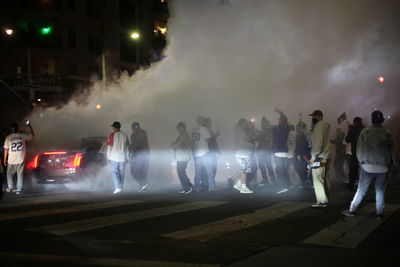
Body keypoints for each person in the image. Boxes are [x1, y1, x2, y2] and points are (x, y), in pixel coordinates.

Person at [342, 111, 397, 219]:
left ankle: (352, 210)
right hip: (383, 167)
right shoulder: (388, 133)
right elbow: (393, 151)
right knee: (380, 191)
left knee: (361, 190)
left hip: (367, 166)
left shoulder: (365, 132)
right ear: (382, 120)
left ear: (372, 119)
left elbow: (359, 149)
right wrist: (393, 164)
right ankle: (379, 213)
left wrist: (361, 162)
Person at [3, 122, 34, 194]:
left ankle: (10, 187)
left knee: (9, 174)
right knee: (20, 175)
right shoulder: (22, 136)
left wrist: (5, 159)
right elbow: (32, 136)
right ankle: (18, 190)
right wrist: (30, 126)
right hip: (21, 159)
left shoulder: (8, 137)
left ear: (11, 129)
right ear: (18, 129)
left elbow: (6, 149)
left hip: (11, 160)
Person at [309, 110, 331, 207]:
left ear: (321, 117)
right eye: (313, 116)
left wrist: (313, 157)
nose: (313, 118)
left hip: (319, 157)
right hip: (326, 156)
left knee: (317, 179)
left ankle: (322, 201)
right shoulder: (324, 126)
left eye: (315, 116)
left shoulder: (319, 127)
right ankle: (325, 199)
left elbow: (318, 144)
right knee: (325, 179)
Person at [271, 109, 294, 193]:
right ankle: (289, 184)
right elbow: (284, 118)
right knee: (283, 169)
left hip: (278, 151)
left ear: (282, 121)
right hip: (284, 151)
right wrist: (280, 112)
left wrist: (280, 112)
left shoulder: (280, 128)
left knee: (279, 170)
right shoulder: (286, 128)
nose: (278, 120)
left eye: (279, 120)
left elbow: (269, 128)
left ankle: (282, 187)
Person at [107, 121, 130, 194]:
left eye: (113, 127)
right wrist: (127, 158)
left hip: (114, 157)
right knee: (122, 173)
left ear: (114, 127)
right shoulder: (125, 135)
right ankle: (121, 187)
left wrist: (108, 157)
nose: (113, 128)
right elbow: (127, 148)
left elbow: (109, 148)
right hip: (123, 157)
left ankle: (118, 187)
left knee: (115, 173)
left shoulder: (112, 135)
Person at [171, 122, 194, 194]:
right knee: (181, 172)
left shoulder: (184, 135)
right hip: (181, 157)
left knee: (181, 172)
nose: (177, 130)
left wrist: (172, 143)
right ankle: (186, 187)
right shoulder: (183, 135)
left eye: (178, 128)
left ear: (182, 128)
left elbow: (178, 145)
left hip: (183, 157)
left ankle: (188, 187)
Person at [233, 119, 255, 194]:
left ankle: (239, 184)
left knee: (245, 170)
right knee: (244, 170)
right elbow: (244, 142)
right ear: (243, 123)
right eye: (246, 123)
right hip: (242, 153)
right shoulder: (240, 132)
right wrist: (251, 145)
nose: (247, 124)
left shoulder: (242, 131)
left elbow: (249, 138)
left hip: (244, 153)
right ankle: (243, 187)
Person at [192, 116, 213, 192]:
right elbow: (207, 140)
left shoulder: (193, 129)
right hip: (204, 152)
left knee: (197, 171)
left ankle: (196, 187)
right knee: (209, 170)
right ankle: (211, 187)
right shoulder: (204, 129)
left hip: (196, 153)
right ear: (202, 121)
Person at [130, 122, 150, 192]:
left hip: (137, 155)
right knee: (143, 172)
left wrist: (130, 153)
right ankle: (144, 188)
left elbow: (133, 145)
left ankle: (143, 184)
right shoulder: (144, 132)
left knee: (133, 172)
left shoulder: (133, 135)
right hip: (146, 155)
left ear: (132, 128)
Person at [345, 117, 364, 191]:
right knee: (365, 169)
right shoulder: (364, 129)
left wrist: (350, 131)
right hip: (364, 152)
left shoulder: (352, 130)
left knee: (353, 170)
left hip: (355, 152)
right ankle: (365, 185)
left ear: (354, 122)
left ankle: (351, 186)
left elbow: (347, 139)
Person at [256, 116, 276, 186]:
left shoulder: (269, 131)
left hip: (266, 151)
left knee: (268, 166)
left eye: (263, 123)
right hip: (260, 151)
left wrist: (259, 136)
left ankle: (272, 180)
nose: (262, 125)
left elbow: (266, 138)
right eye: (262, 123)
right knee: (262, 166)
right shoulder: (262, 131)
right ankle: (265, 180)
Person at [293, 114, 312, 188]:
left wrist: (303, 154)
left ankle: (306, 181)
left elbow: (306, 144)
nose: (297, 129)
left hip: (304, 153)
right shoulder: (299, 135)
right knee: (300, 167)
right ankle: (304, 180)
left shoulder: (305, 134)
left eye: (298, 128)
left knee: (304, 167)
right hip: (301, 153)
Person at [204, 117, 220, 191]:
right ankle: (211, 185)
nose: (210, 124)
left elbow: (213, 139)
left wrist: (216, 135)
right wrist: (215, 135)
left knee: (212, 168)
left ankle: (211, 184)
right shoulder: (206, 130)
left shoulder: (207, 130)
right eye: (209, 122)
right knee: (212, 168)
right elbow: (211, 140)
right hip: (211, 151)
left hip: (211, 151)